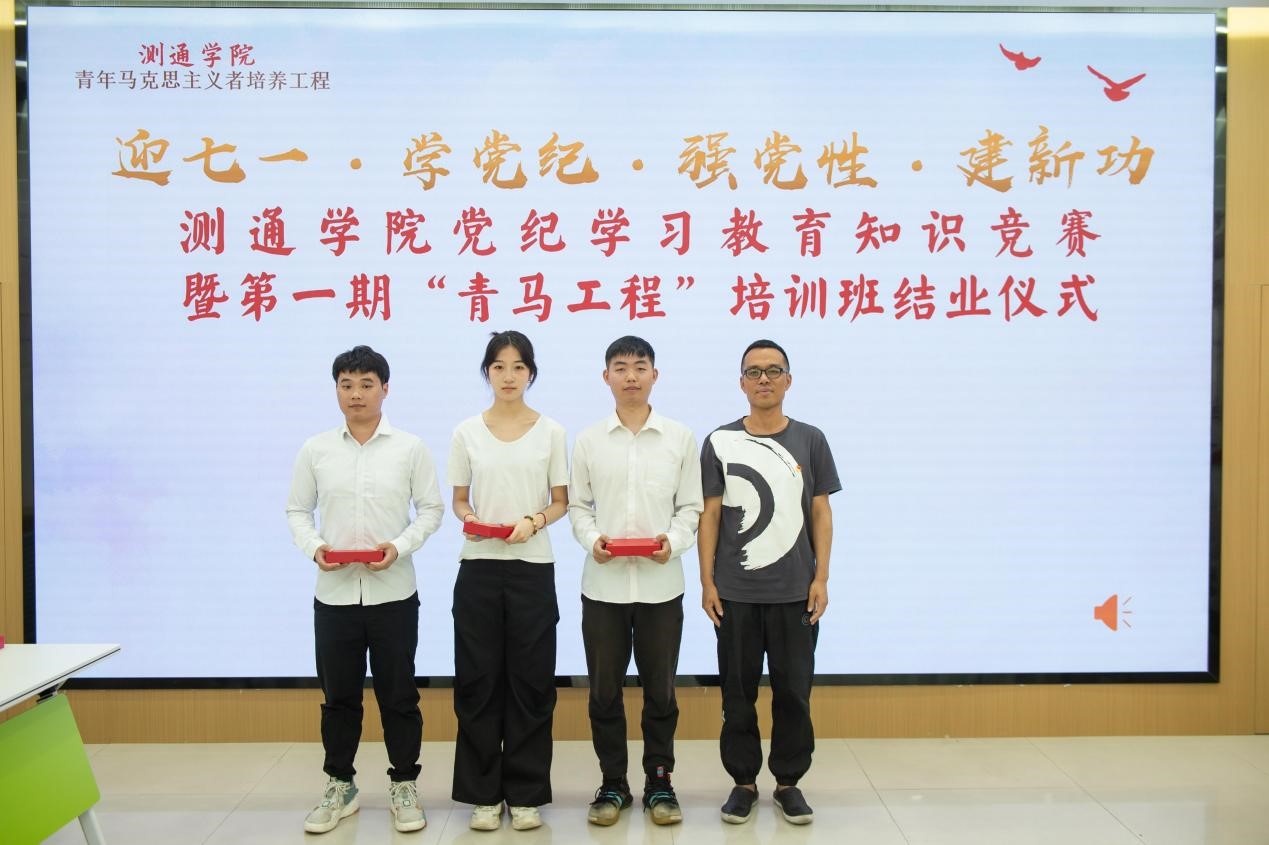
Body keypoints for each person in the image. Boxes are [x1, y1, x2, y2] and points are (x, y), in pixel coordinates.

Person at [286, 344, 444, 835]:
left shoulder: (410, 448)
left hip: (393, 593)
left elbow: (432, 510)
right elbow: (297, 510)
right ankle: (340, 784)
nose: (356, 394)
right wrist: (315, 548)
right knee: (338, 698)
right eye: (346, 385)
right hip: (334, 596)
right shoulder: (316, 449)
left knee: (399, 696)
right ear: (336, 389)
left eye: (366, 384)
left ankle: (404, 784)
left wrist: (399, 546)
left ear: (385, 389)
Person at [698, 339, 840, 826]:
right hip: (735, 593)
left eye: (773, 370)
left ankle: (788, 782)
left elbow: (821, 511)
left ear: (788, 380)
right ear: (741, 382)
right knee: (737, 695)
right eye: (754, 371)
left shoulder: (811, 439)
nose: (764, 379)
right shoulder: (720, 441)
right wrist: (707, 581)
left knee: (794, 693)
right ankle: (742, 782)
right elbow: (709, 515)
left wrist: (821, 576)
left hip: (796, 592)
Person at [568, 336, 703, 827]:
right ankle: (613, 784)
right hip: (603, 587)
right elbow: (578, 507)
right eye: (621, 367)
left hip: (661, 586)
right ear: (606, 376)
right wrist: (592, 540)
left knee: (661, 691)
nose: (630, 376)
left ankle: (660, 782)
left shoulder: (679, 438)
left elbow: (691, 507)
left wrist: (673, 541)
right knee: (603, 692)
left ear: (654, 375)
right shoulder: (588, 440)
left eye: (640, 366)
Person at [447, 330, 569, 832]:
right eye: (498, 366)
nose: (509, 376)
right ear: (487, 373)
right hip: (478, 566)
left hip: (532, 568)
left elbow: (560, 501)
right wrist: (472, 518)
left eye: (518, 366)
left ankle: (525, 794)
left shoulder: (552, 432)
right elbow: (459, 500)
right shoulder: (466, 432)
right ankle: (482, 794)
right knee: (478, 681)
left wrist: (533, 522)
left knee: (531, 683)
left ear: (531, 373)